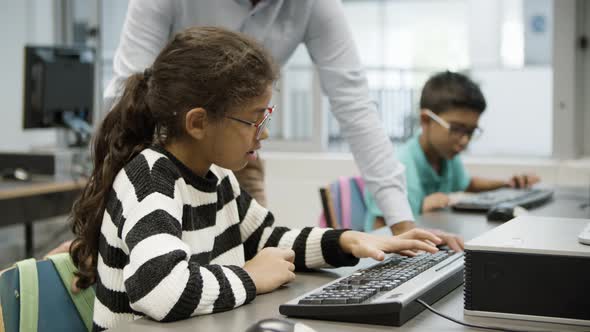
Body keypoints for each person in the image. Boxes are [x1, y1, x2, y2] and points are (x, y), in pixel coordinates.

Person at [69, 26, 444, 331]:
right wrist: (249, 277)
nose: (262, 133)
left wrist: (347, 241)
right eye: (253, 119)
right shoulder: (151, 178)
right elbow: (158, 289)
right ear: (198, 122)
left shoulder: (217, 178)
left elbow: (267, 239)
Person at [102, 0, 463, 246]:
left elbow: (354, 104)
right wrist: (109, 211)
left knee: (256, 250)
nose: (268, 131)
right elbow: (128, 94)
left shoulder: (313, 6)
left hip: (235, 158)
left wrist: (398, 229)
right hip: (159, 154)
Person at [364, 71, 540, 217]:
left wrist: (507, 184)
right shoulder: (399, 167)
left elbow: (467, 184)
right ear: (426, 120)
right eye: (456, 129)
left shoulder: (446, 155)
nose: (464, 141)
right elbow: (379, 230)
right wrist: (419, 214)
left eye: (471, 132)